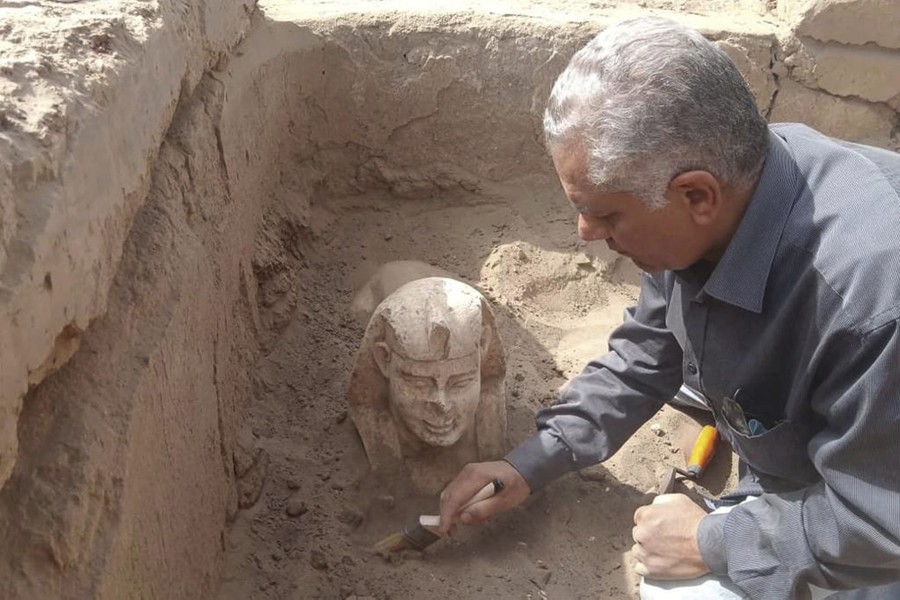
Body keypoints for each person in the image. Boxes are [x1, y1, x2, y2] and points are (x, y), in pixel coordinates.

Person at [437, 16, 900, 600]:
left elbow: (881, 523)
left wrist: (713, 539)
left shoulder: (871, 304)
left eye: (606, 215)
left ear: (696, 195)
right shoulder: (727, 193)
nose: (584, 233)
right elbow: (647, 351)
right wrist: (532, 462)